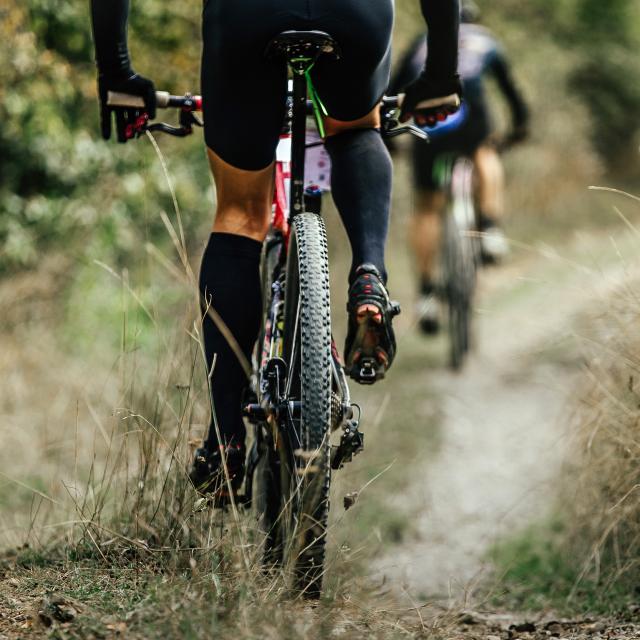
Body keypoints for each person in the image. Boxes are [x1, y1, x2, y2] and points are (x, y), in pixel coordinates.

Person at [90, 0, 462, 498]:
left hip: (246, 14)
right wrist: (439, 73)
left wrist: (118, 71)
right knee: (355, 130)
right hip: (356, 14)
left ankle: (225, 440)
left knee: (242, 214)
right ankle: (369, 274)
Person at [390, 0, 529, 334]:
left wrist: (391, 140)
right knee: (485, 150)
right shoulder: (487, 39)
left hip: (428, 118)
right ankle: (491, 230)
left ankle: (426, 295)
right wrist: (518, 130)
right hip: (469, 110)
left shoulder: (420, 43)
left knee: (426, 207)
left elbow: (391, 92)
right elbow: (512, 95)